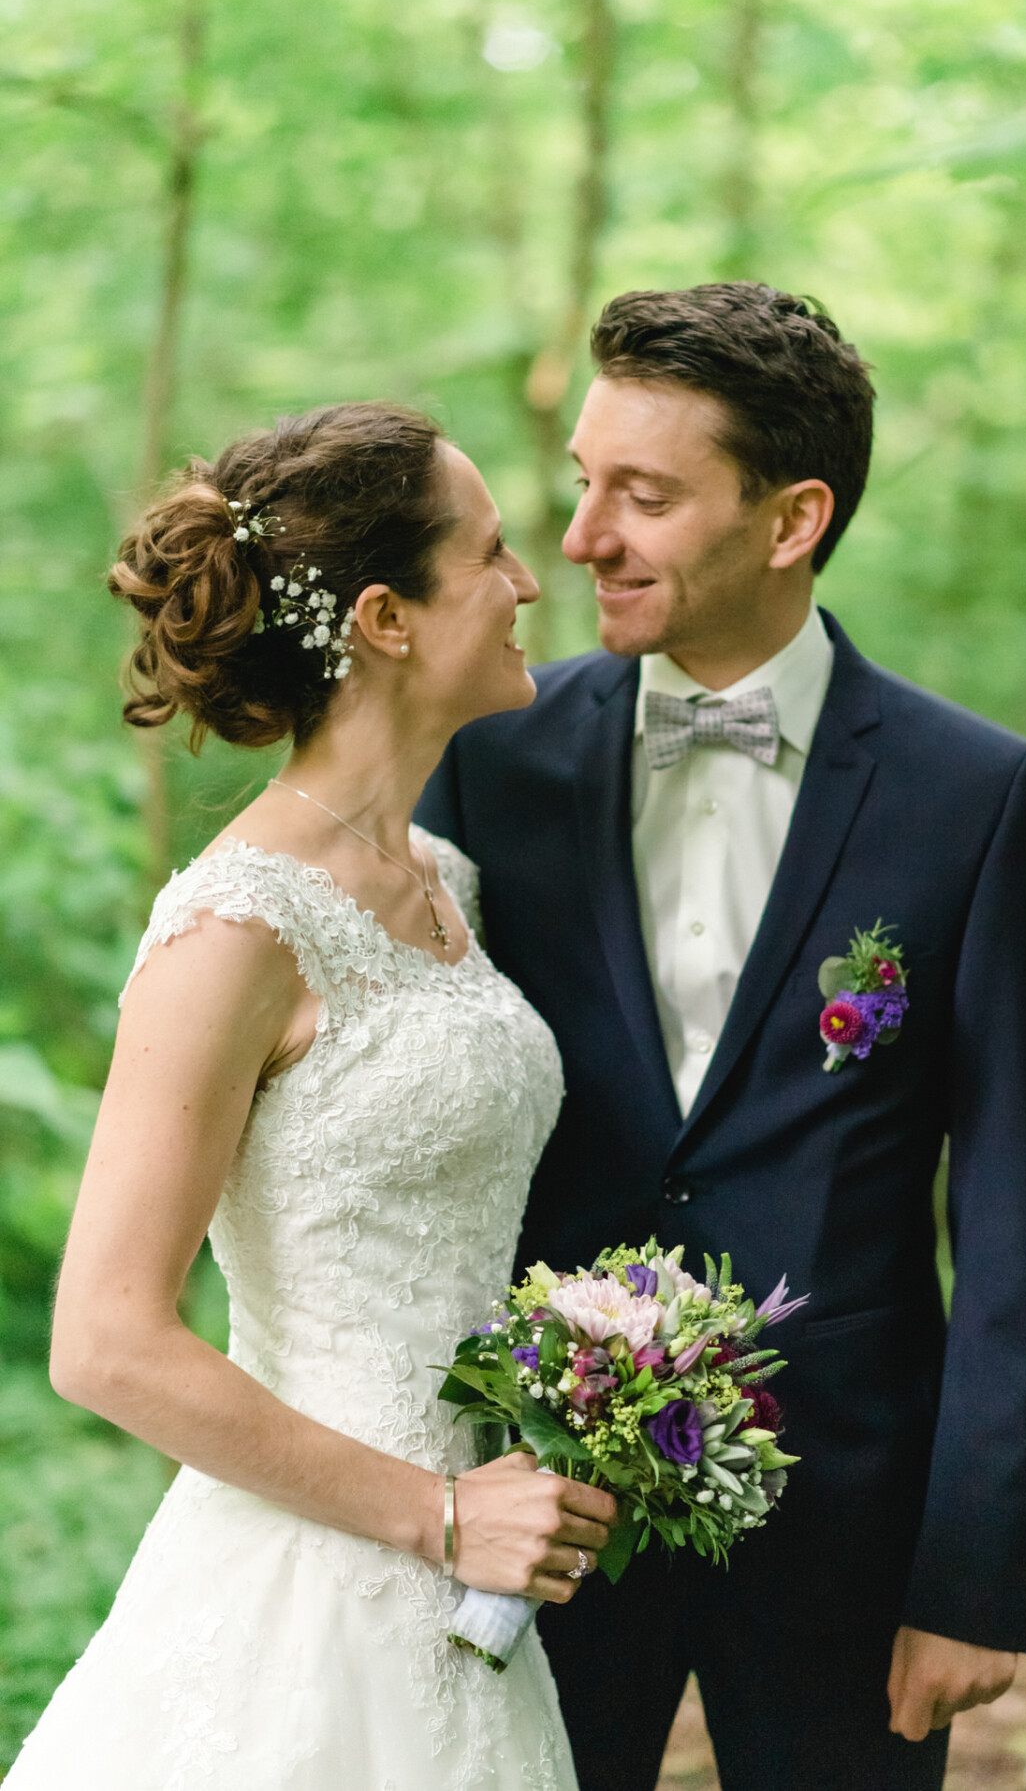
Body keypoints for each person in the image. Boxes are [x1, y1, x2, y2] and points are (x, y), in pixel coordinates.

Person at [417, 283, 1026, 1791]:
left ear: (791, 521)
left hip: (848, 1523)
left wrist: (974, 1575)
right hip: (541, 1511)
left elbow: (1016, 1221)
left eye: (641, 495)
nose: (581, 538)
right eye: (584, 480)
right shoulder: (483, 759)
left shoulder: (972, 796)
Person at [6, 401, 614, 1791]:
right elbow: (101, 1337)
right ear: (390, 617)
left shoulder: (446, 884)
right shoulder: (234, 924)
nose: (531, 584)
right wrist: (437, 1512)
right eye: (495, 554)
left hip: (476, 1587)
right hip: (331, 1569)